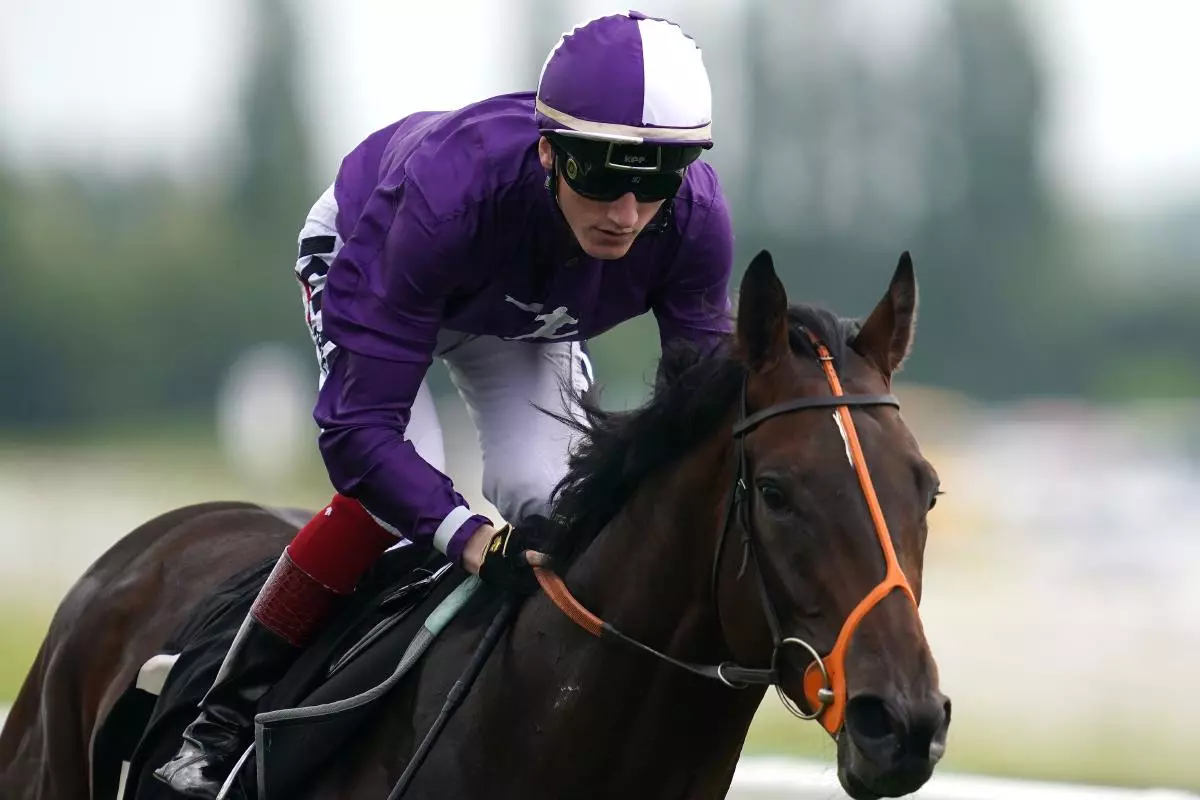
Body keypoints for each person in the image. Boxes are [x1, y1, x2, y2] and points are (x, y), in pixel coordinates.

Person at [154, 10, 734, 796]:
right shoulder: (444, 200)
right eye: (601, 176)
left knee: (561, 501)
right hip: (381, 258)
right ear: (548, 151)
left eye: (656, 179)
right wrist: (466, 536)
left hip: (514, 309)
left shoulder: (695, 219)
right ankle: (219, 720)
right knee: (393, 501)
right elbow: (358, 434)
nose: (628, 213)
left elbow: (695, 418)